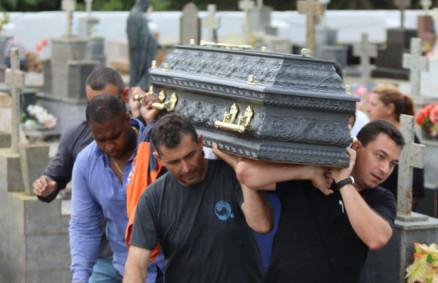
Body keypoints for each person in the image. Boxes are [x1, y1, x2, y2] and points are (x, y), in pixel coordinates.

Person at [235, 119, 404, 282]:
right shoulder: (312, 176)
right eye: (380, 156)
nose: (384, 169)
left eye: (392, 164)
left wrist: (344, 182)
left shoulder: (381, 197)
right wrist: (308, 172)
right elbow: (245, 173)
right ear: (357, 147)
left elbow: (376, 239)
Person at [123, 113, 272, 282]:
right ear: (159, 159)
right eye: (174, 162)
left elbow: (262, 224)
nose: (186, 168)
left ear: (200, 142)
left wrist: (241, 170)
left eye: (189, 155)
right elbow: (136, 264)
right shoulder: (152, 199)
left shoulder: (230, 175)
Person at [32, 67, 130, 283]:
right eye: (92, 104)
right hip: (100, 254)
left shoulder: (145, 139)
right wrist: (47, 184)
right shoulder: (79, 139)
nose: (99, 109)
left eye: (107, 101)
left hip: (144, 258)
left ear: (124, 98)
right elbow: (81, 223)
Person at [69, 95, 164, 283]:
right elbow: (84, 226)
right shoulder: (86, 163)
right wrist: (80, 278)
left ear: (128, 119)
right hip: (126, 270)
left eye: (115, 136)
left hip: (171, 267)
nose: (110, 146)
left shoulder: (154, 147)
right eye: (101, 140)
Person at [366, 84, 424, 206]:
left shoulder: (408, 139)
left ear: (390, 108)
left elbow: (415, 187)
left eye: (373, 105)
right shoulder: (377, 133)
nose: (368, 109)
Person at [126, 0, 158, 91]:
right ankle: (137, 89)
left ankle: (140, 88)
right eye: (147, 4)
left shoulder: (139, 15)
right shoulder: (135, 15)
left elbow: (148, 35)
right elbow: (135, 38)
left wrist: (155, 43)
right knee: (137, 73)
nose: (147, 6)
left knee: (145, 70)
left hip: (144, 49)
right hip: (139, 51)